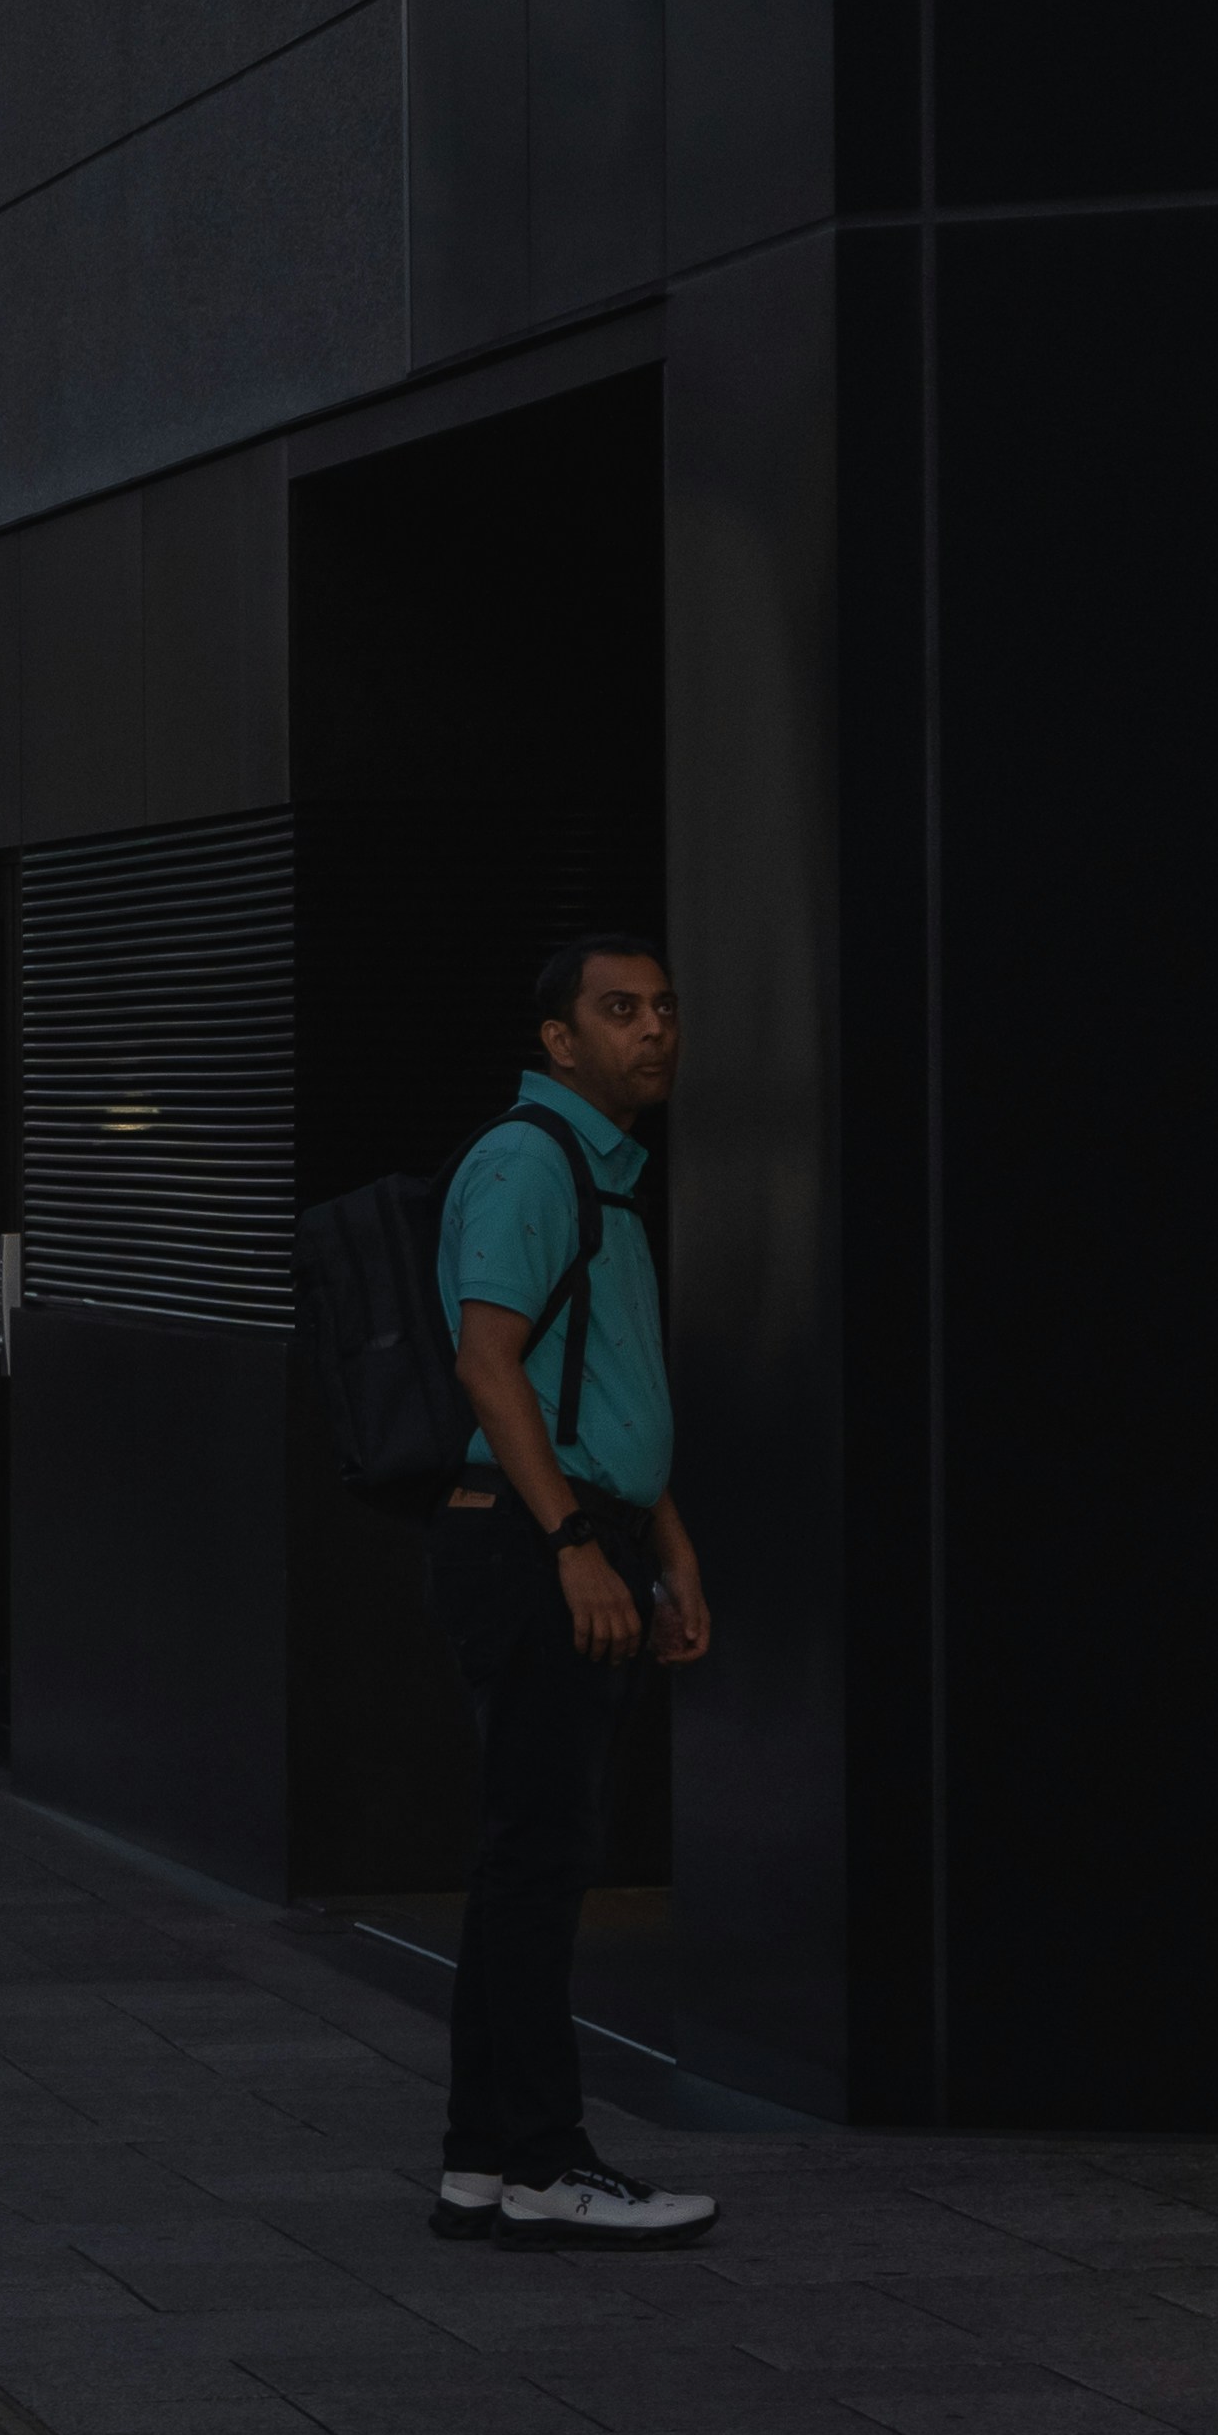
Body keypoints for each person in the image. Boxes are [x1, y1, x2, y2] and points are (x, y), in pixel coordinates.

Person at [429, 937, 718, 2249]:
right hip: (533, 1545)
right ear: (556, 1039)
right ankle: (541, 2155)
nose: (648, 1030)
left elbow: (602, 1387)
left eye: (659, 1008)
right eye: (617, 1010)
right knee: (536, 1863)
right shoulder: (526, 1163)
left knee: (528, 1862)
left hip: (582, 1534)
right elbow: (487, 1367)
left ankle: (484, 2161)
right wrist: (571, 1545)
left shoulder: (598, 1175)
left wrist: (666, 1544)